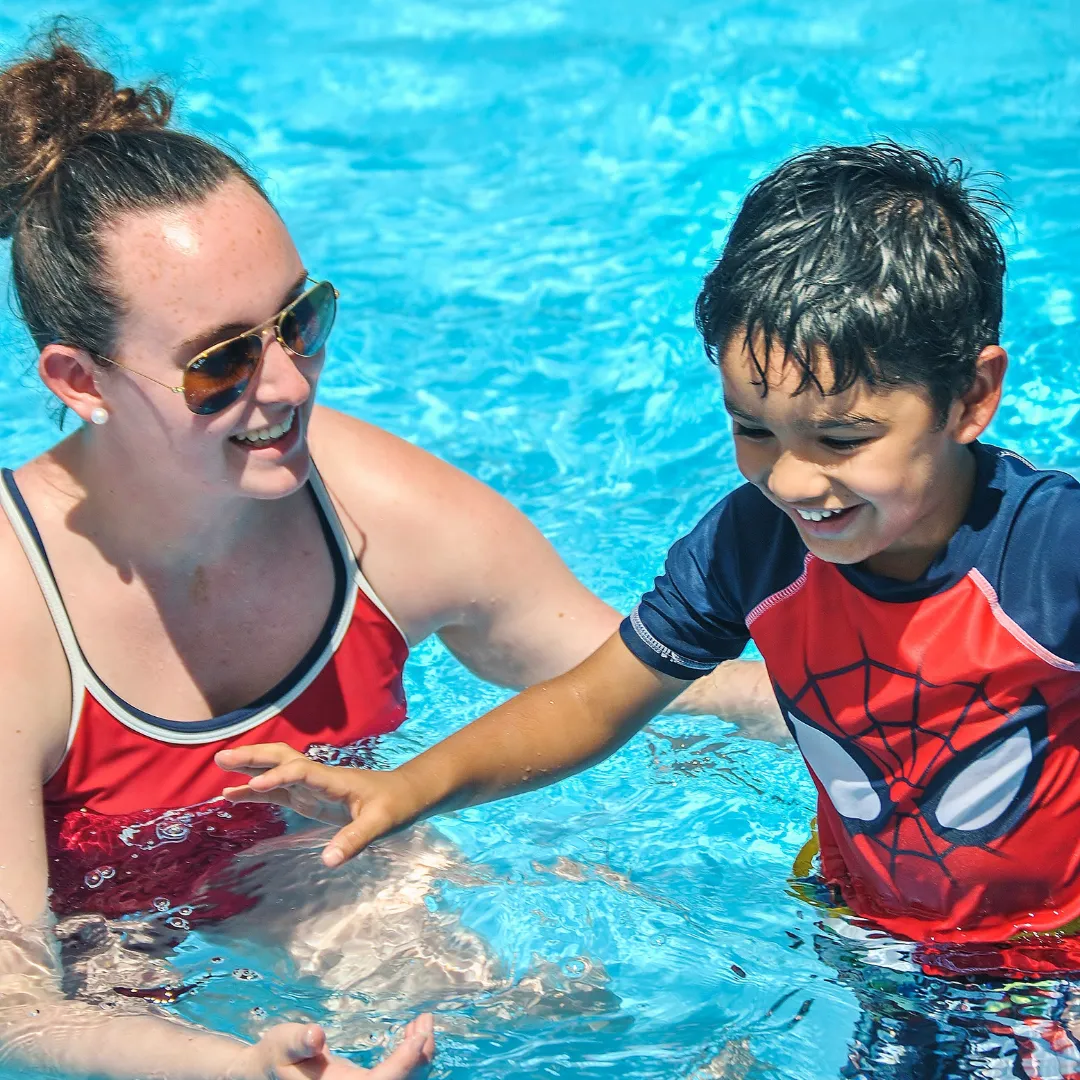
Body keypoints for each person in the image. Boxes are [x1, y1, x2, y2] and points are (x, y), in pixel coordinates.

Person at [0, 28, 778, 1080]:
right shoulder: (18, 612)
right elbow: (16, 1003)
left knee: (590, 1005)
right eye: (220, 363)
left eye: (299, 322)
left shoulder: (375, 511)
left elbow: (633, 681)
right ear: (79, 382)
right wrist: (234, 1070)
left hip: (305, 874)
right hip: (99, 963)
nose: (286, 385)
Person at [223, 143, 1080, 963]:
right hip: (872, 932)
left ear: (971, 397)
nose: (791, 480)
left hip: (1052, 953)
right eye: (753, 429)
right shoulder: (753, 546)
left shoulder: (1051, 553)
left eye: (843, 438)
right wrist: (405, 791)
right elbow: (595, 702)